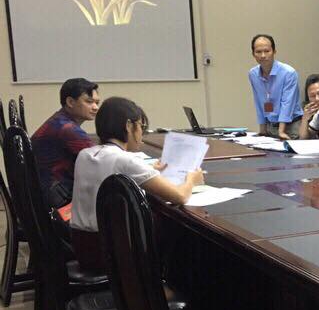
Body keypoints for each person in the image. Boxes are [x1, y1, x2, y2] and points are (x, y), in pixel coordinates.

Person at [70, 97, 204, 271]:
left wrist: (149, 169)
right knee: (179, 232)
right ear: (128, 126)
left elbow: (109, 169)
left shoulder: (85, 154)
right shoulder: (126, 161)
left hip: (83, 247)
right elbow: (179, 196)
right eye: (141, 126)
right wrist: (192, 179)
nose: (142, 133)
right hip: (113, 254)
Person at [30, 78, 100, 207]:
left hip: (43, 191)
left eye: (97, 102)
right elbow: (101, 160)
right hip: (57, 197)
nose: (95, 107)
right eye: (89, 102)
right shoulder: (66, 128)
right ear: (70, 102)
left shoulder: (59, 120)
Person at [248, 34, 302, 139]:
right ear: (253, 54)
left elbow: (287, 103)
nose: (263, 55)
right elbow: (259, 101)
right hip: (270, 126)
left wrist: (281, 131)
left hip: (291, 126)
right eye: (258, 52)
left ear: (274, 51)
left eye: (267, 51)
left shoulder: (288, 73)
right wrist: (262, 129)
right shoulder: (253, 74)